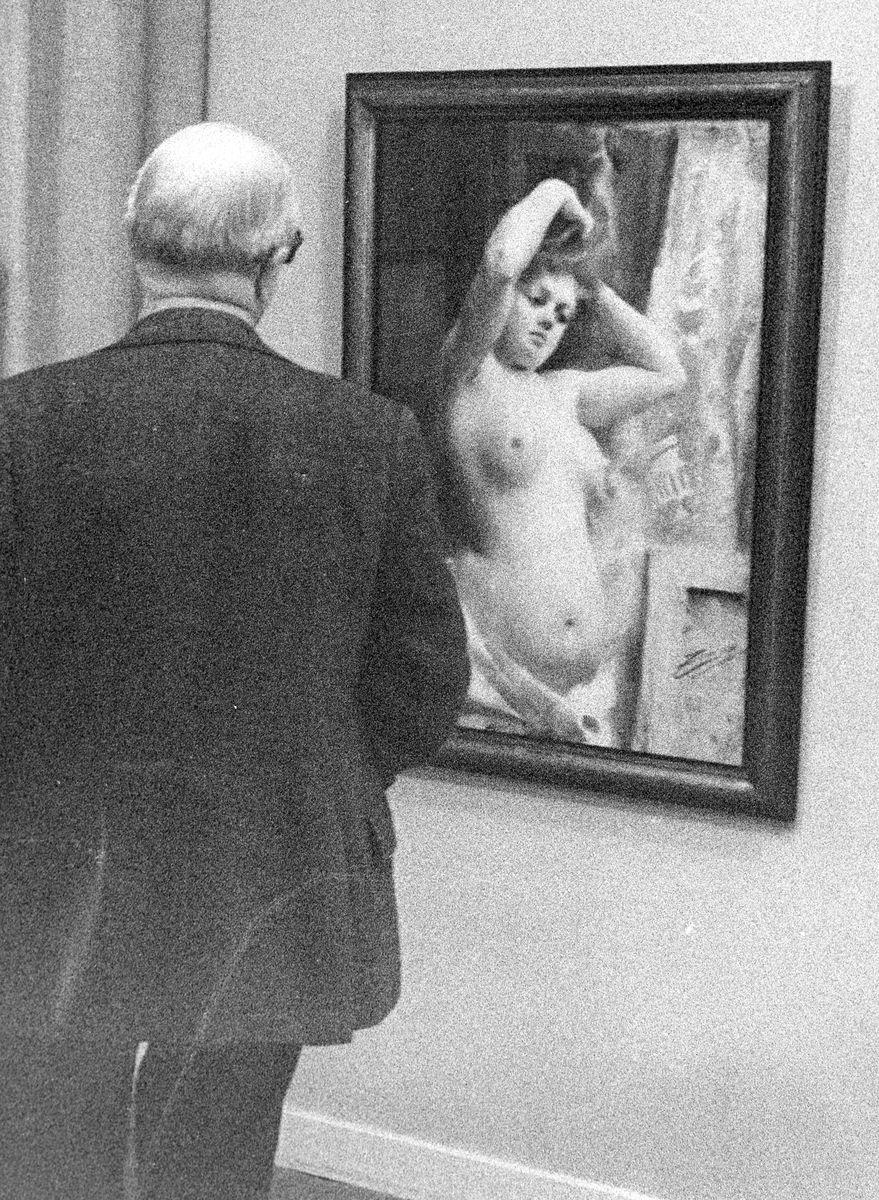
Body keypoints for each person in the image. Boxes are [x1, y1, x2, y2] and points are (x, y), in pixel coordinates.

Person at [0, 122, 469, 1200]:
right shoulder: (368, 436)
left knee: (43, 1161)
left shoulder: (20, 422)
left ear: (136, 244)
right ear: (276, 256)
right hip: (270, 869)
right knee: (214, 1165)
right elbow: (423, 680)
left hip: (50, 869)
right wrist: (310, 770)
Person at [435, 177, 685, 744]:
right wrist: (554, 192)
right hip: (505, 690)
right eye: (537, 299)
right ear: (505, 300)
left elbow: (668, 372)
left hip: (592, 694)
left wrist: (589, 285)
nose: (550, 319)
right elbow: (501, 262)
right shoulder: (468, 374)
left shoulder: (567, 392)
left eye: (565, 313)